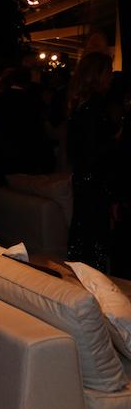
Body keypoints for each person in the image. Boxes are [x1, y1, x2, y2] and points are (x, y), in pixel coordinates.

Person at [66, 52, 119, 272]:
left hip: (83, 177)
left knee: (83, 231)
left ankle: (80, 274)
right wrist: (115, 139)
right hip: (96, 179)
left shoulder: (79, 104)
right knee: (96, 235)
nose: (111, 76)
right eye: (108, 72)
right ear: (97, 75)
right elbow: (98, 151)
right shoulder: (97, 106)